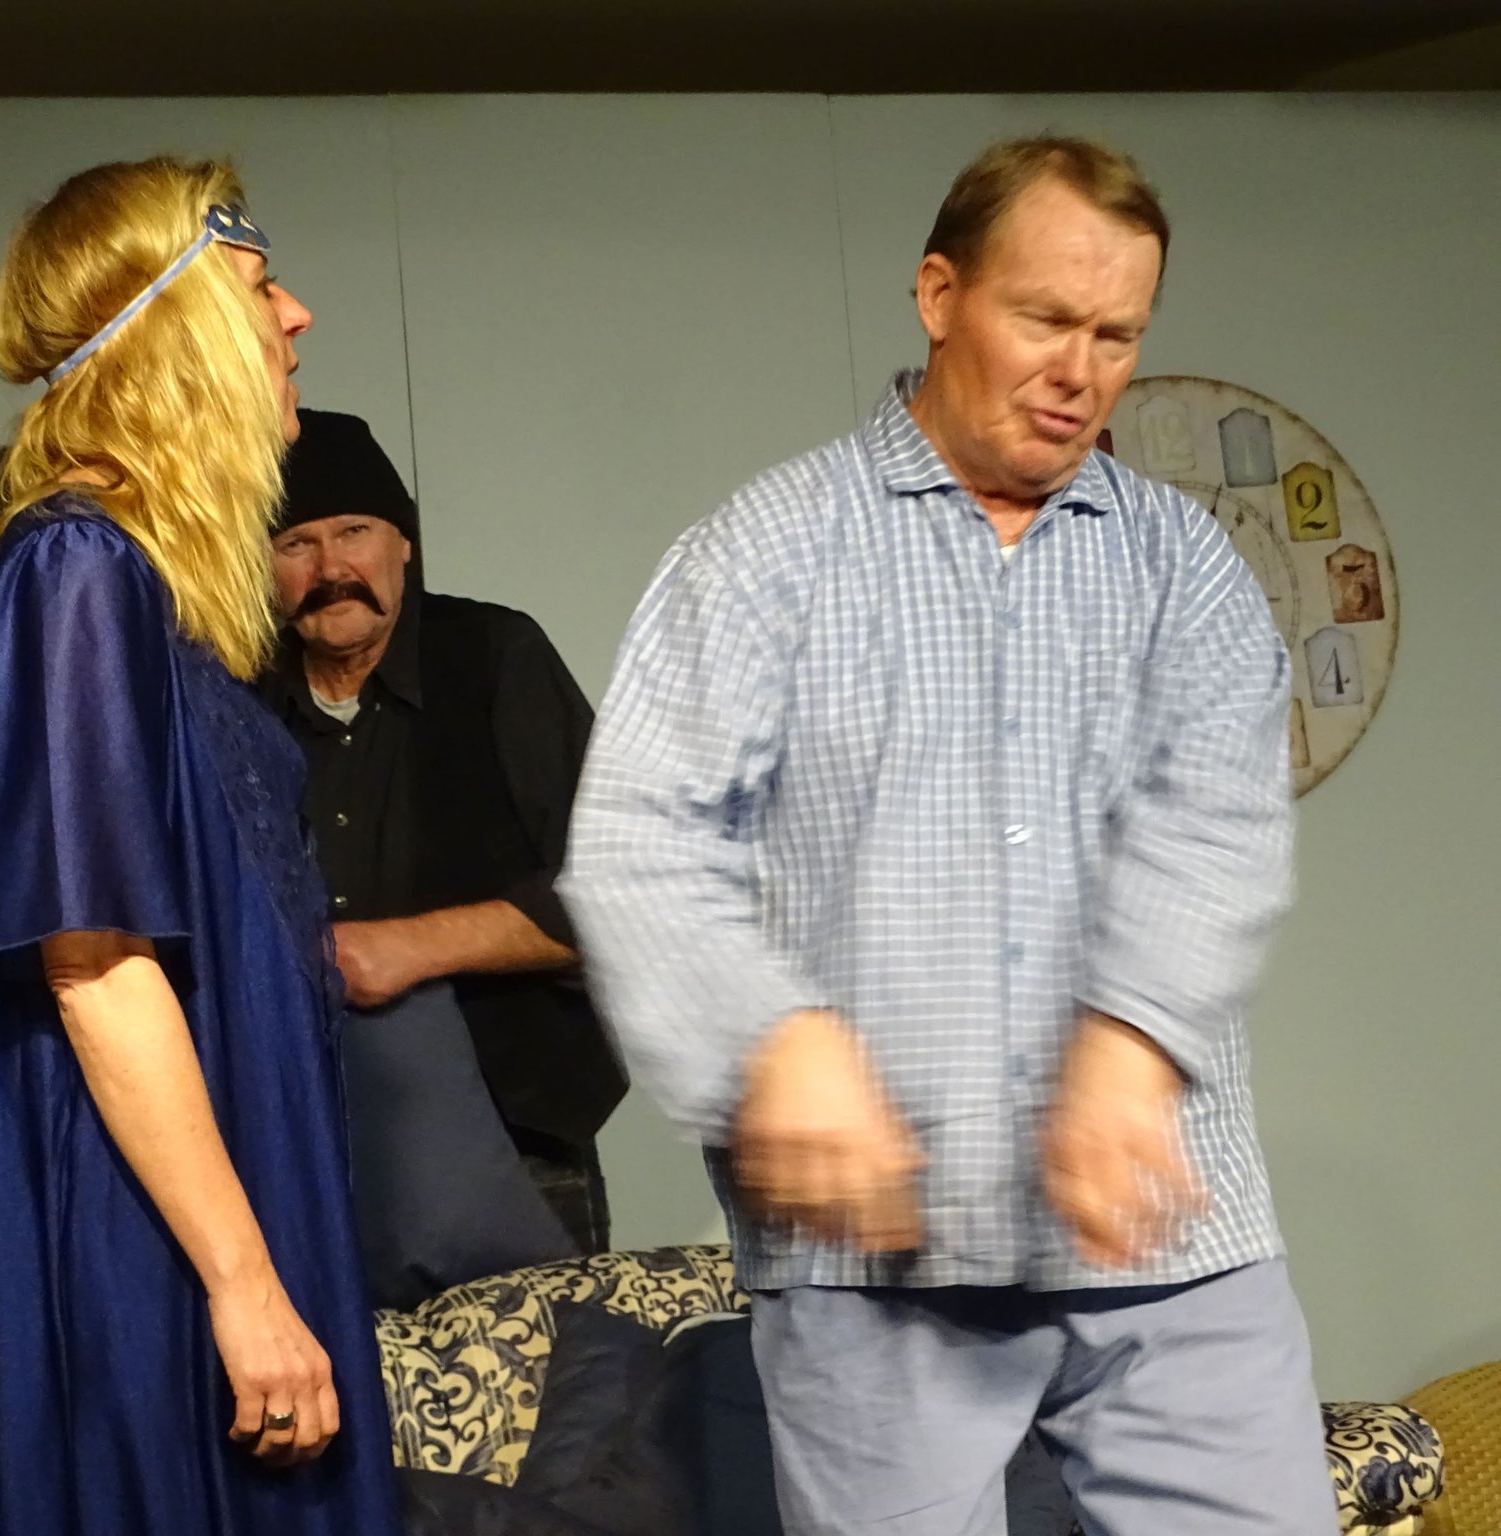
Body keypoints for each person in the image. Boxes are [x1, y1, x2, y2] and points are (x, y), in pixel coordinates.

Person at [563, 136, 1337, 1535]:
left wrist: (1134, 1037)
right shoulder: (764, 550)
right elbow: (640, 840)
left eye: (1117, 335)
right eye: (1044, 319)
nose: (1079, 370)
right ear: (938, 294)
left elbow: (1217, 826)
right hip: (876, 1263)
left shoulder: (1184, 566)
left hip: (1169, 1244)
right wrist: (770, 1045)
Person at [0, 158, 403, 1536]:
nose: (297, 314)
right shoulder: (73, 570)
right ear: (175, 321)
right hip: (159, 1248)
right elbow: (93, 965)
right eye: (260, 284)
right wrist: (242, 1285)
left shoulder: (144, 588)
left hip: (223, 1216)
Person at [261, 408, 626, 1304]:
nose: (331, 568)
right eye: (297, 543)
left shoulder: (495, 657)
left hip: (516, 1144)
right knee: (334, 1395)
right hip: (300, 1162)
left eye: (355, 532)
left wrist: (403, 949)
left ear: (405, 544)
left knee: (555, 1389)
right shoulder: (233, 701)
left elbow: (622, 893)